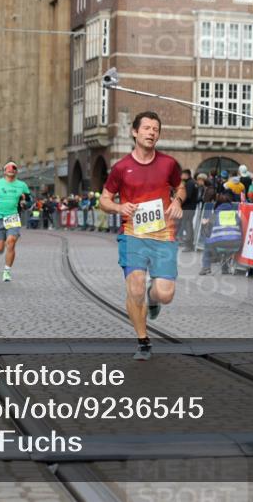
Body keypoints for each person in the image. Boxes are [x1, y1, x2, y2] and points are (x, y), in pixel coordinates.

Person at [98, 111, 185, 361]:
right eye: (146, 128)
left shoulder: (169, 164)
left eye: (155, 129)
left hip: (163, 234)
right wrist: (117, 207)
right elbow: (104, 200)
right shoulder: (121, 168)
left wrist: (178, 200)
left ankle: (153, 299)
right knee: (134, 288)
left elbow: (180, 187)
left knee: (165, 294)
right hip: (132, 233)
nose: (151, 132)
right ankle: (143, 340)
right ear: (134, 132)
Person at [0, 161, 31, 282]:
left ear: (16, 171)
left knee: (11, 242)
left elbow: (30, 200)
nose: (11, 169)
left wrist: (25, 203)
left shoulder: (22, 185)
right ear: (4, 170)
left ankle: (7, 271)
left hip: (13, 217)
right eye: (8, 167)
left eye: (14, 168)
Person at [198, 190, 243, 275]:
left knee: (207, 244)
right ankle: (224, 269)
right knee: (226, 242)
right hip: (236, 245)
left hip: (220, 244)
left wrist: (204, 224)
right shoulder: (235, 214)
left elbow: (207, 233)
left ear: (217, 204)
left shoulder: (215, 215)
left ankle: (206, 267)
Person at [178, 169, 199, 252]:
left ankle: (189, 245)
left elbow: (187, 196)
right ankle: (189, 244)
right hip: (190, 207)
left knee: (187, 226)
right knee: (188, 225)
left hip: (188, 208)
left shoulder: (190, 183)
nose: (181, 176)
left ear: (186, 175)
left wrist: (179, 201)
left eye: (182, 175)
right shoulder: (192, 182)